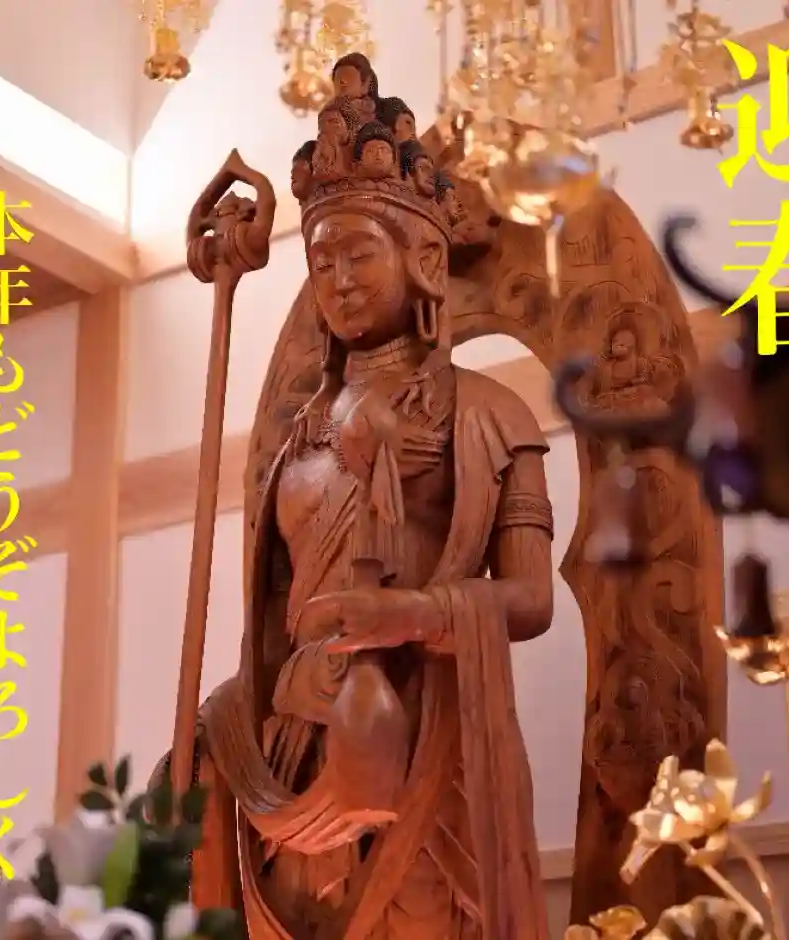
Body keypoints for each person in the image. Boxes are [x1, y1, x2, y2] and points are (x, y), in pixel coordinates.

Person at [177, 52, 555, 940]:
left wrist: (412, 614)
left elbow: (532, 600)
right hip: (293, 751)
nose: (339, 279)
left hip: (425, 745)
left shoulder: (488, 416)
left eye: (359, 253)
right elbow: (272, 620)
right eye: (321, 260)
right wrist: (223, 732)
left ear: (423, 258)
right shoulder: (293, 437)